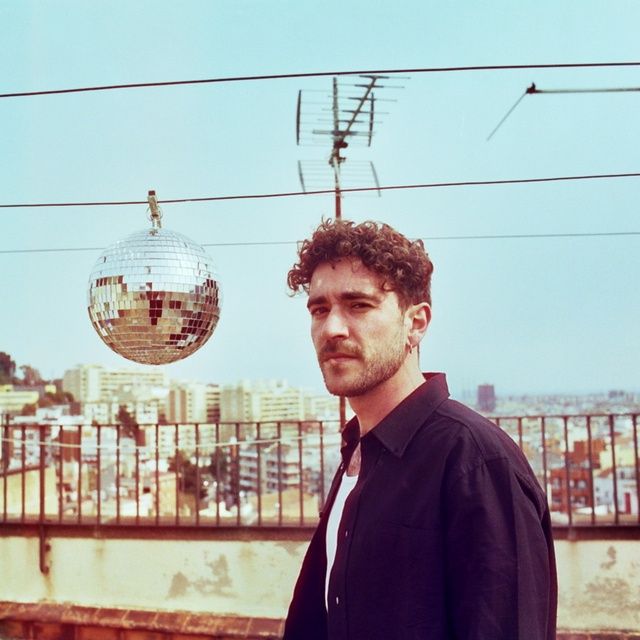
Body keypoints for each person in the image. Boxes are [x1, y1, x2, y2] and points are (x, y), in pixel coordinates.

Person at [283, 219, 557, 640]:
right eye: (320, 309)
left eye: (359, 305)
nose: (332, 328)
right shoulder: (358, 453)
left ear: (416, 323)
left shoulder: (476, 461)